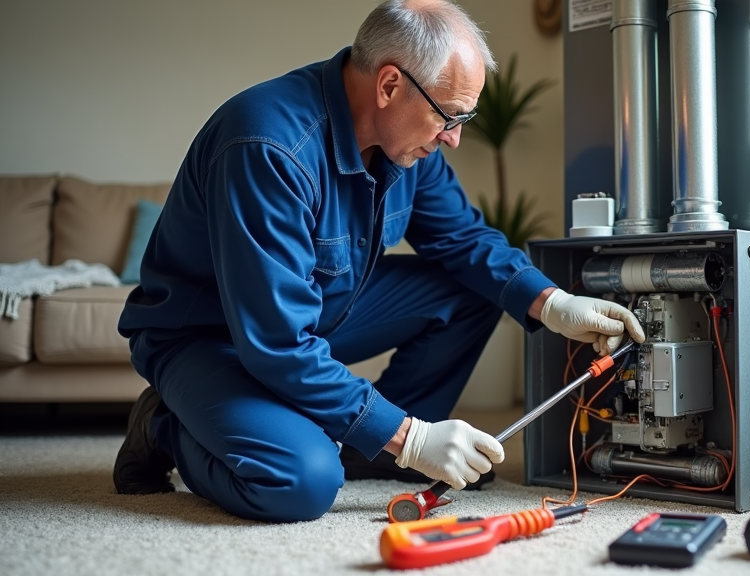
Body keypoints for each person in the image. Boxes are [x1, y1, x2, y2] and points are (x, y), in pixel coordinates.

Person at [114, 0, 644, 523]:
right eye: (448, 116)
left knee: (472, 289)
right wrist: (412, 437)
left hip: (313, 314)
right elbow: (276, 342)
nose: (455, 138)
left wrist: (553, 304)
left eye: (465, 118)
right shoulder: (268, 146)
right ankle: (165, 421)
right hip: (212, 338)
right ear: (390, 86)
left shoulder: (408, 144)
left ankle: (369, 448)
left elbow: (462, 239)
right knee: (300, 482)